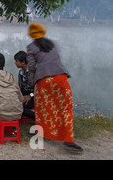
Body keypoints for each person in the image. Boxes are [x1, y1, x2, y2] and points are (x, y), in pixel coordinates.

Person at [27, 23, 83, 153]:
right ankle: (69, 140)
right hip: (60, 77)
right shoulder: (52, 44)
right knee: (66, 107)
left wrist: (31, 79)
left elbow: (31, 66)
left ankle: (40, 132)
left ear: (31, 35)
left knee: (42, 107)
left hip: (43, 80)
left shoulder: (31, 47)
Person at [14, 51, 35, 120]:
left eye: (16, 61)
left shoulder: (34, 72)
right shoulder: (21, 72)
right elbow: (20, 87)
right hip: (24, 95)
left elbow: (40, 88)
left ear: (23, 62)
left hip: (35, 96)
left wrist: (30, 96)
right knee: (13, 104)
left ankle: (37, 117)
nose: (15, 63)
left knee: (19, 108)